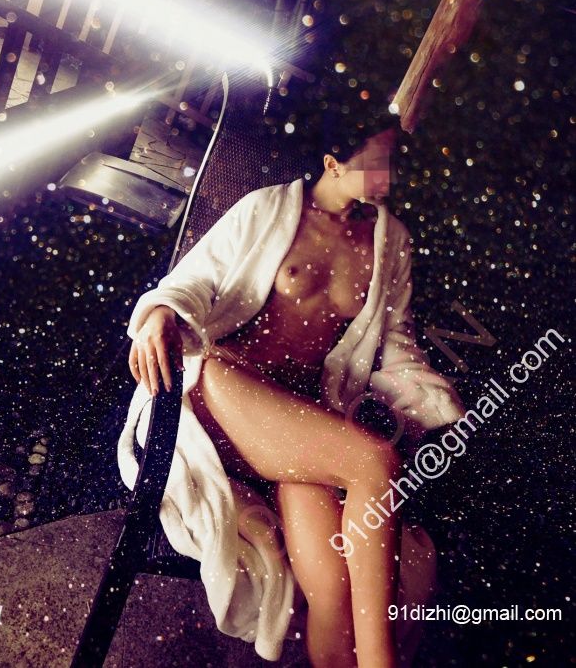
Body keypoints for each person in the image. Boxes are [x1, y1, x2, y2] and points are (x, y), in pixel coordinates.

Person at [121, 92, 465, 667]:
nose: (387, 177)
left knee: (334, 585)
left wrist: (436, 406)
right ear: (333, 161)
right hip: (226, 387)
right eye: (375, 162)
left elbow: (395, 341)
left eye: (392, 164)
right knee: (374, 461)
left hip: (300, 419)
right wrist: (160, 313)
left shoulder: (392, 242)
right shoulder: (267, 209)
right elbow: (194, 281)